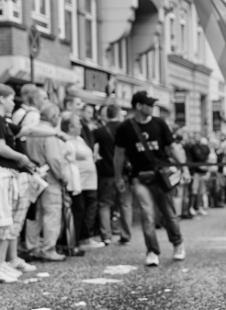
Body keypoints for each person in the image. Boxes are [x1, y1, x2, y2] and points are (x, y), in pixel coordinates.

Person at [0, 84, 43, 284]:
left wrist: (55, 132)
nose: (14, 103)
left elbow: (27, 130)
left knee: (4, 223)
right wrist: (21, 157)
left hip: (1, 175)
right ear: (2, 98)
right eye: (11, 98)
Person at [114, 91, 185, 265]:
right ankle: (152, 251)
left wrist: (184, 167)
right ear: (139, 106)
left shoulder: (160, 123)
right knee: (147, 215)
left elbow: (172, 147)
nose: (153, 107)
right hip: (139, 177)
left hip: (161, 176)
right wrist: (118, 177)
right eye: (149, 104)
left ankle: (177, 243)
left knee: (169, 214)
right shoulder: (125, 128)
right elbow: (119, 155)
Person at [27, 102, 69, 262]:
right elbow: (54, 159)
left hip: (34, 177)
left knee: (34, 214)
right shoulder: (50, 134)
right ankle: (48, 249)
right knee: (52, 213)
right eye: (57, 116)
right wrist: (63, 176)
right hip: (50, 179)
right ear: (53, 117)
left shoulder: (32, 131)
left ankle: (33, 247)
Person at [94, 104, 132, 245]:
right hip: (123, 172)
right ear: (118, 113)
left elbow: (93, 150)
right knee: (125, 204)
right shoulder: (126, 129)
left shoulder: (100, 132)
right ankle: (126, 234)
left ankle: (106, 236)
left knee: (105, 204)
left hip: (106, 172)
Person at [64, 111, 101, 249]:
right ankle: (78, 240)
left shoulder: (79, 139)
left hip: (89, 181)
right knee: (80, 210)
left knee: (88, 209)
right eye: (77, 124)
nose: (80, 127)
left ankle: (83, 238)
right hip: (79, 182)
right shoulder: (67, 141)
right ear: (70, 127)